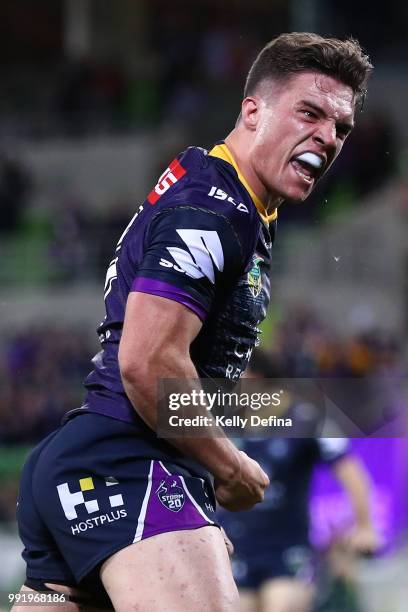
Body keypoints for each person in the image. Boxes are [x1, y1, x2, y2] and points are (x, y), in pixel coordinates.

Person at [13, 32, 372, 612]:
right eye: (310, 112)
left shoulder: (231, 198)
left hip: (92, 466)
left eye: (341, 127)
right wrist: (229, 468)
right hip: (130, 465)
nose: (327, 137)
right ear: (253, 111)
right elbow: (147, 361)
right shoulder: (212, 208)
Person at [220, 436, 380, 612]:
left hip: (289, 549)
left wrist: (365, 527)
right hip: (238, 548)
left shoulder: (308, 418)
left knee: (279, 606)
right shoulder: (222, 420)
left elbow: (349, 469)